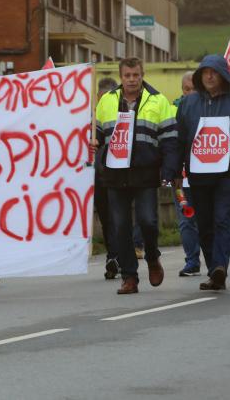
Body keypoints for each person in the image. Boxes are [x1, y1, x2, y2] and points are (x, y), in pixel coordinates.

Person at [172, 55, 230, 291]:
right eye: (205, 72)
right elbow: (179, 141)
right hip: (197, 175)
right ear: (200, 76)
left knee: (222, 219)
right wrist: (175, 172)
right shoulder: (187, 104)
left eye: (214, 72)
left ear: (223, 75)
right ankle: (214, 270)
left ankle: (220, 266)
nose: (209, 76)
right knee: (204, 224)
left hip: (227, 174)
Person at [93, 57, 175, 294]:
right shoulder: (106, 101)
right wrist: (94, 140)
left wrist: (168, 171)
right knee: (120, 227)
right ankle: (129, 277)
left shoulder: (158, 101)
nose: (131, 79)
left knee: (148, 221)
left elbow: (169, 139)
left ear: (142, 74)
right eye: (127, 75)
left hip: (145, 172)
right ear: (121, 76)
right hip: (115, 174)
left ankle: (151, 256)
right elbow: (97, 132)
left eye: (135, 75)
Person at [172, 71, 201, 276]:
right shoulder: (173, 110)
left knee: (208, 220)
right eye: (187, 89)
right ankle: (192, 261)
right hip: (181, 178)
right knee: (185, 220)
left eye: (194, 89)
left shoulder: (209, 110)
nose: (190, 93)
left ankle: (216, 261)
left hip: (205, 176)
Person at [93, 76, 120, 279]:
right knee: (106, 219)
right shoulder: (89, 119)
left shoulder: (122, 117)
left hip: (120, 175)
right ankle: (113, 256)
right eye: (101, 99)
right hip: (98, 176)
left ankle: (118, 255)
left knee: (119, 218)